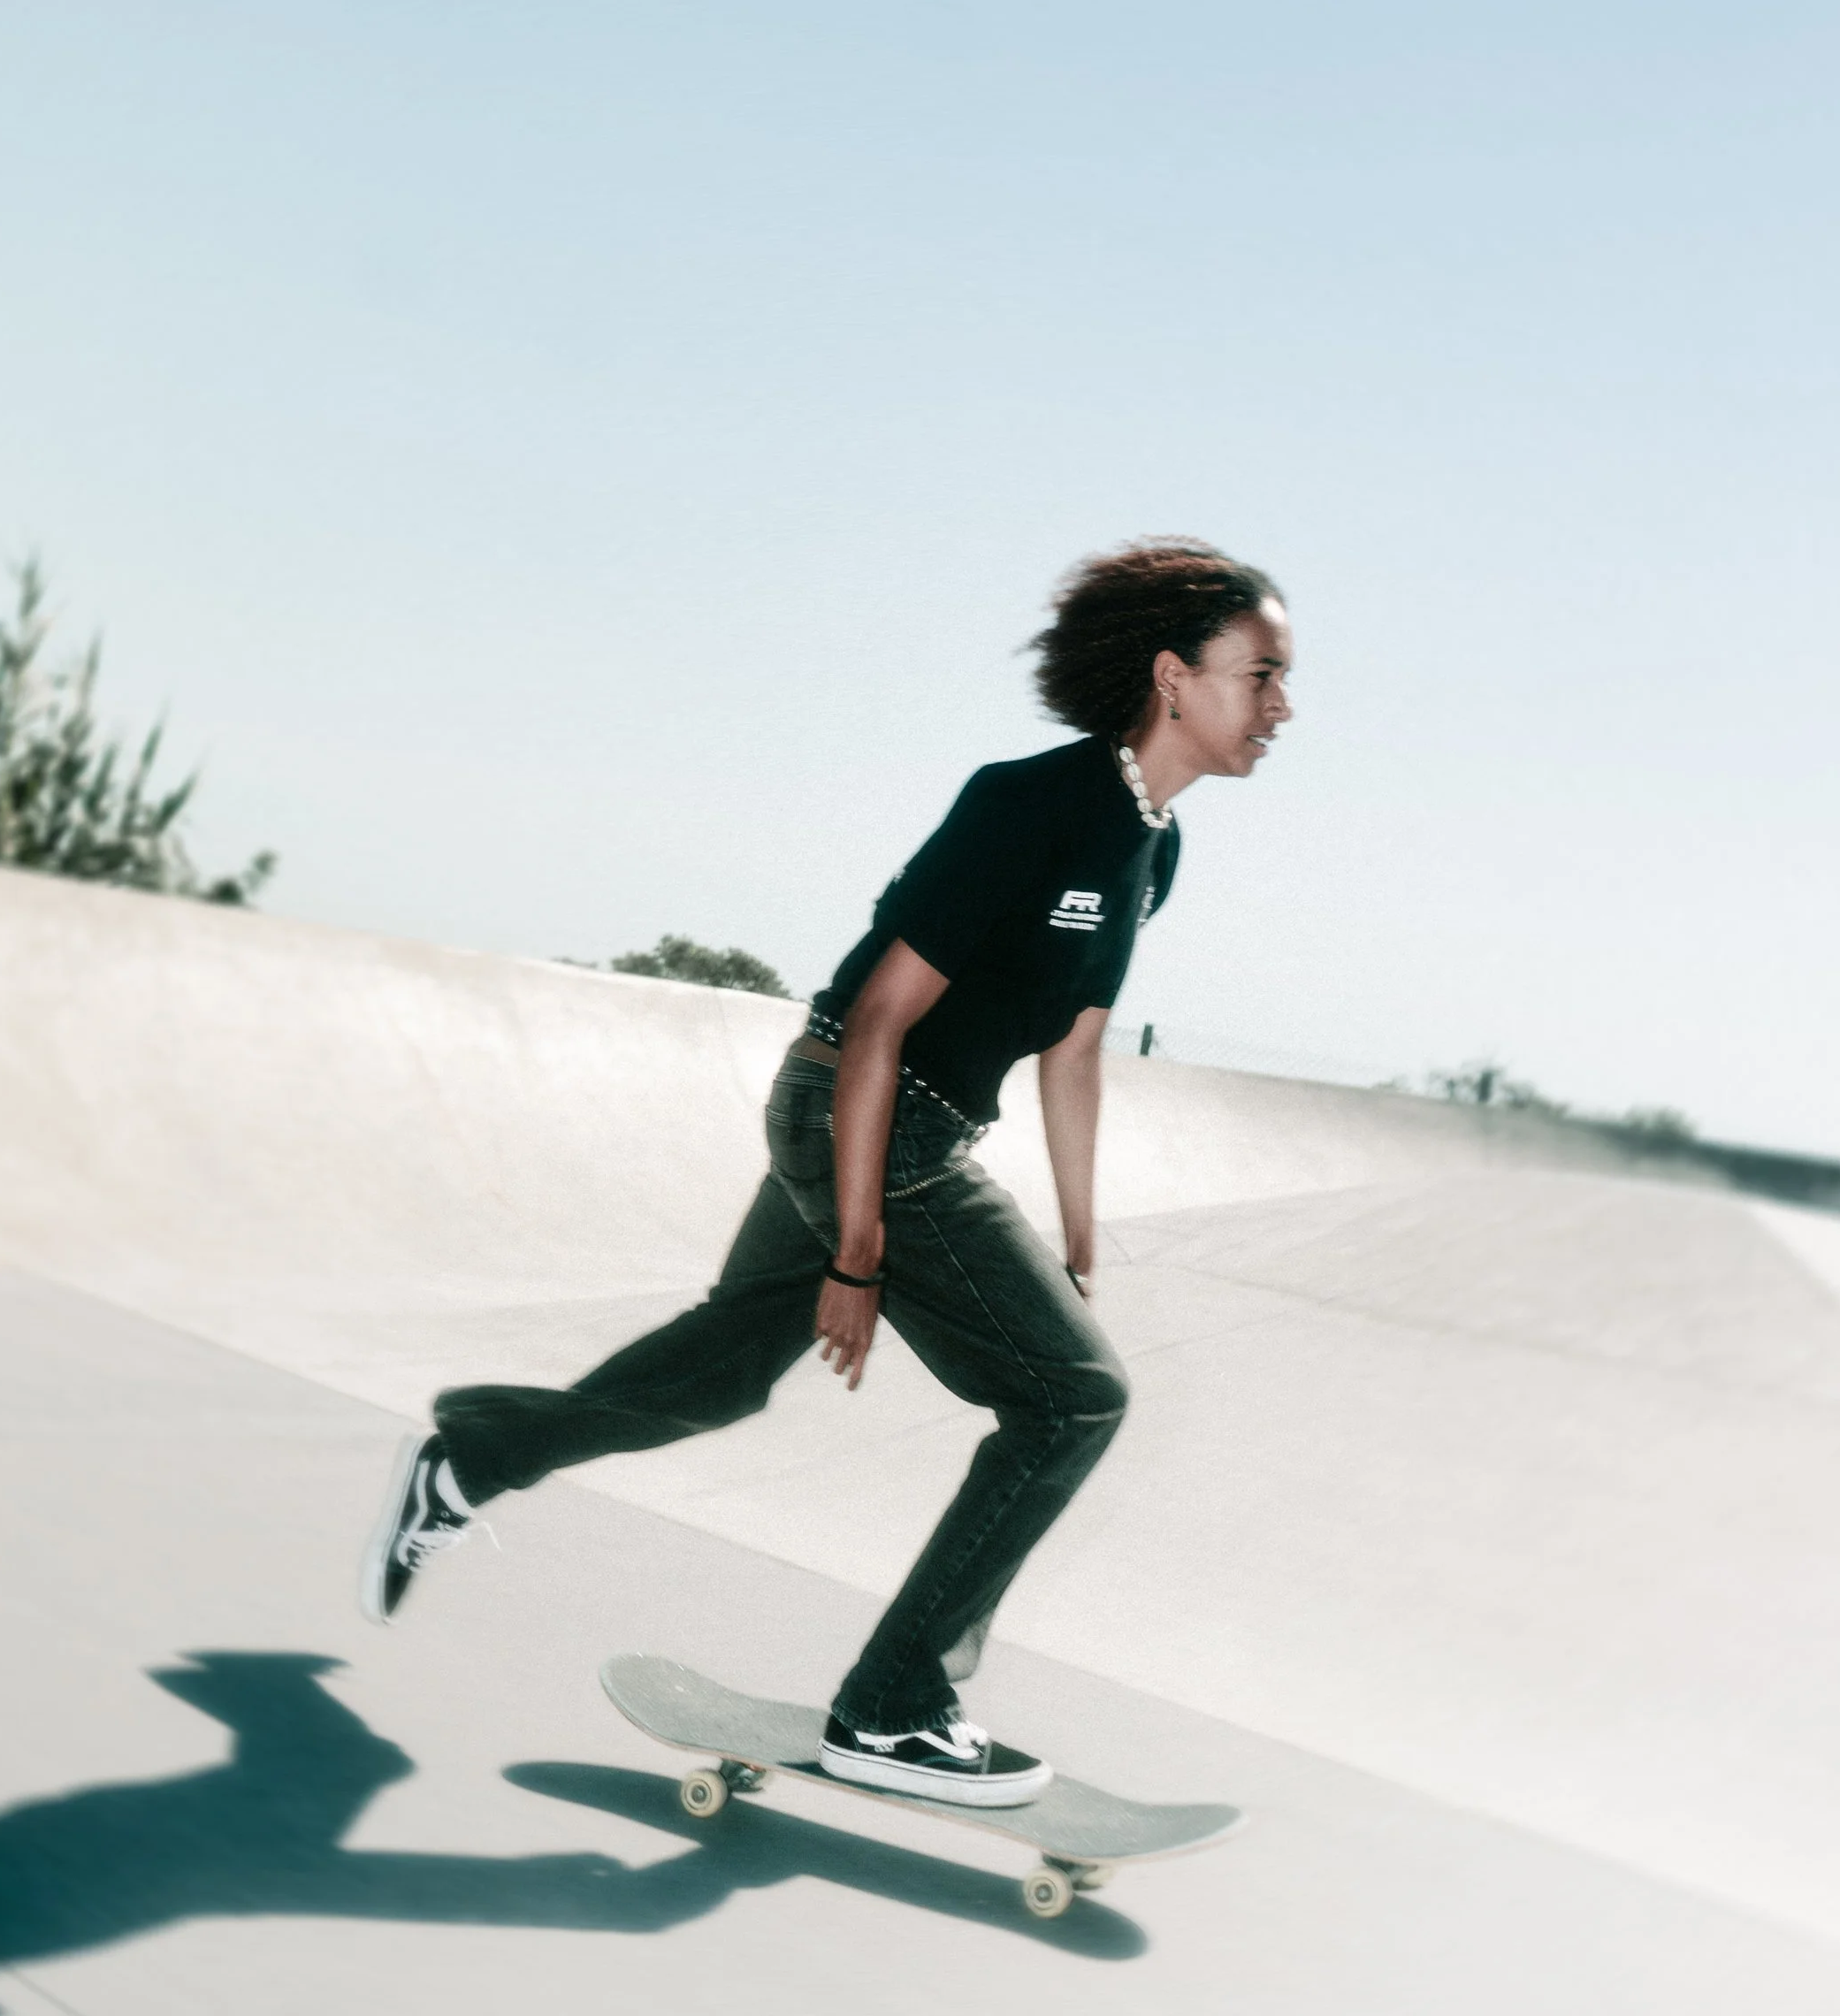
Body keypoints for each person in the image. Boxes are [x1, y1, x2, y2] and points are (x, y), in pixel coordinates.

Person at [359, 538, 1294, 1806]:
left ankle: (472, 1456)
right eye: (1265, 674)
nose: (1282, 707)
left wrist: (1081, 1228)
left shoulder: (1152, 844)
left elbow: (1074, 1044)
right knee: (1074, 1399)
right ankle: (897, 1706)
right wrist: (858, 1251)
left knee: (719, 1378)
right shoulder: (1026, 803)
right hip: (864, 1118)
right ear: (1177, 678)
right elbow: (877, 1025)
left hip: (904, 1135)